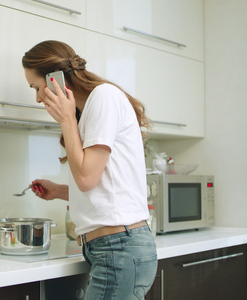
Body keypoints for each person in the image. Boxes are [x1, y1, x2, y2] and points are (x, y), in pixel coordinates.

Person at [22, 40, 157, 300]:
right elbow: (104, 186)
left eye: (36, 87)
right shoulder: (93, 107)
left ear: (55, 79)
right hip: (113, 248)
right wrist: (60, 191)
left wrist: (67, 119)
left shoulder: (103, 97)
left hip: (119, 247)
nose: (38, 98)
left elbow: (85, 178)